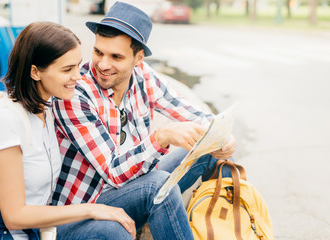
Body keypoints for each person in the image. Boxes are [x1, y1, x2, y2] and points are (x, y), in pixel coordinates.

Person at [51, 1, 236, 239]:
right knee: (157, 184)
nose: (103, 64)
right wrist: (163, 136)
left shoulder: (144, 77)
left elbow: (192, 113)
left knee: (212, 149)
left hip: (134, 186)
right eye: (99, 52)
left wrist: (223, 137)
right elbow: (114, 172)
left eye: (116, 56)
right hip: (84, 208)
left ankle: (228, 230)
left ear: (138, 58)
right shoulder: (76, 93)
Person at [0, 22, 138, 240]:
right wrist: (90, 209)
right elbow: (14, 215)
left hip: (33, 232)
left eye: (78, 65)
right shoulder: (7, 118)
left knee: (113, 227)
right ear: (35, 72)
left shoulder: (46, 110)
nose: (78, 76)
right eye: (67, 69)